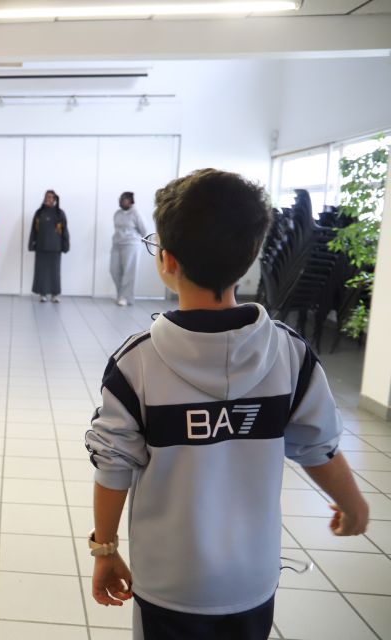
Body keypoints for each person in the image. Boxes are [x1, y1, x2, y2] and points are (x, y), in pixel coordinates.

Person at [85, 169, 369, 640]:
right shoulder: (290, 355)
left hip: (169, 581)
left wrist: (105, 549)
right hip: (251, 577)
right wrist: (352, 504)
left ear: (168, 261)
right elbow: (318, 447)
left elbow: (113, 465)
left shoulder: (137, 364)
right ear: (253, 254)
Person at [29, 189, 70, 302]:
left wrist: (65, 245)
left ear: (55, 200)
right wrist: (32, 244)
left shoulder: (60, 213)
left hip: (55, 248)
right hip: (41, 246)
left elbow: (64, 230)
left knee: (54, 272)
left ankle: (55, 294)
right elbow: (34, 230)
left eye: (50, 197)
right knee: (41, 271)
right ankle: (42, 294)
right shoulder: (39, 213)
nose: (47, 198)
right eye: (46, 196)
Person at [110, 191, 146, 306]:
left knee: (129, 272)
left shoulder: (136, 213)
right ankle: (121, 294)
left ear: (130, 201)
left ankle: (126, 297)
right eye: (120, 199)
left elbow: (144, 230)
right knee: (114, 270)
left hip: (131, 245)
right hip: (117, 244)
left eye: (124, 199)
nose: (121, 201)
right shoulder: (117, 213)